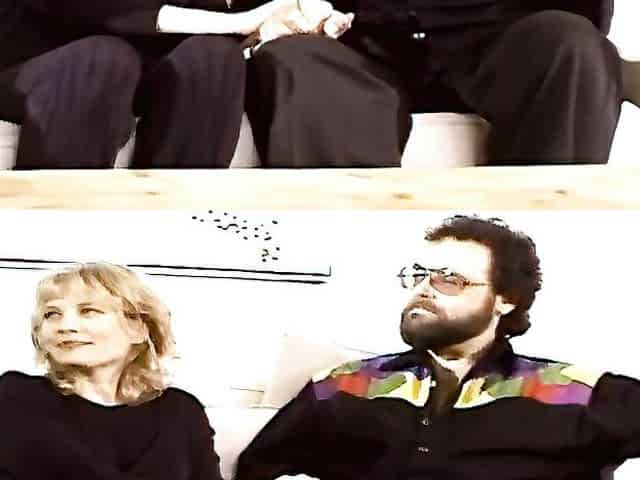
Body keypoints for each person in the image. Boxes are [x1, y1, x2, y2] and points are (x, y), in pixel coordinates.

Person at [235, 215, 639, 479]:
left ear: (505, 300)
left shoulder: (575, 392)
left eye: (449, 279)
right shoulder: (343, 385)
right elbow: (259, 468)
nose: (424, 289)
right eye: (418, 275)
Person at [243, 0, 640, 166]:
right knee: (297, 61)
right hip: (358, 37)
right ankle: (359, 243)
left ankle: (534, 235)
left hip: (501, 39)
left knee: (573, 46)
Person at [0, 0, 335, 168]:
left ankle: (170, 223)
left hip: (148, 63)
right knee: (104, 59)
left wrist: (277, 26)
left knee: (215, 57)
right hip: (39, 61)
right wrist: (240, 22)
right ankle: (61, 234)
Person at [0, 263, 221, 479]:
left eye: (88, 311)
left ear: (139, 328)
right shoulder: (14, 396)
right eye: (51, 314)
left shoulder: (182, 411)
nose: (65, 326)